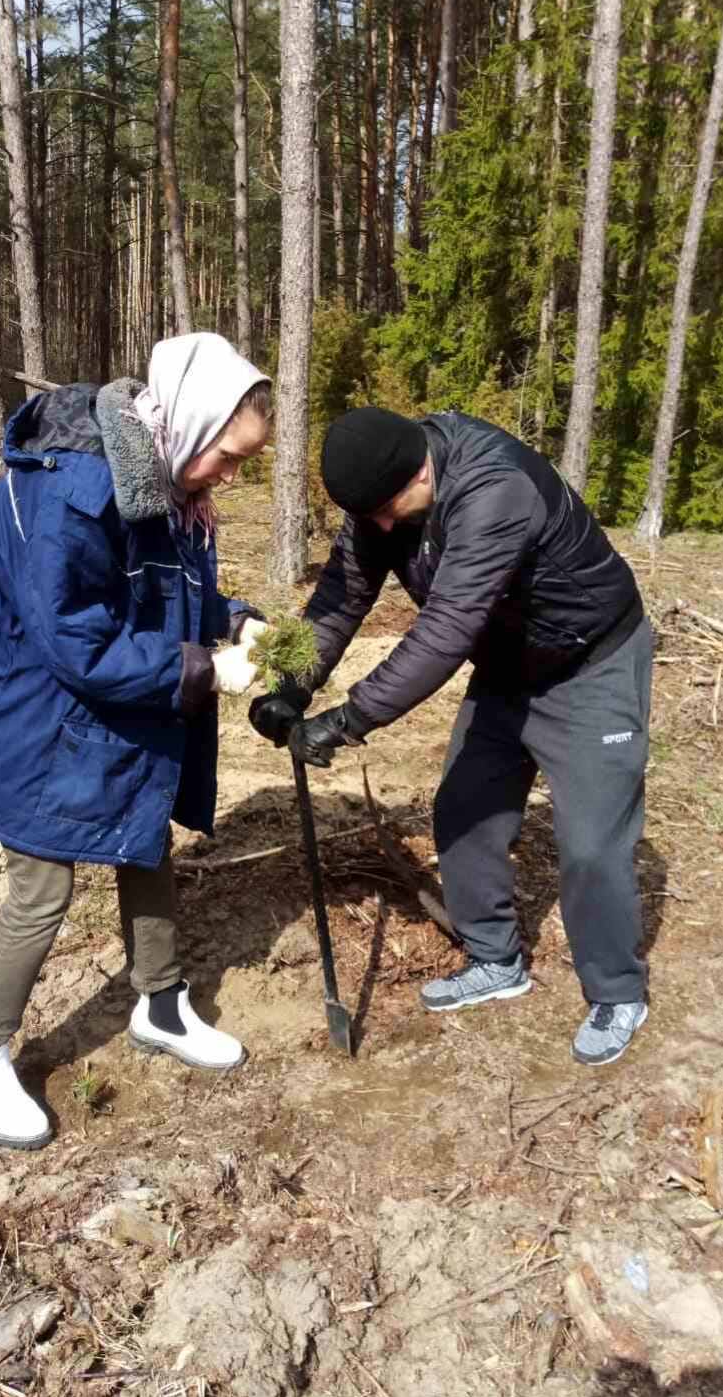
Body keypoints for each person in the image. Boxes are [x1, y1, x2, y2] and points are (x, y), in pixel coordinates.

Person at [0, 333, 272, 1150]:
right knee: (42, 882)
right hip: (15, 707)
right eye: (229, 455)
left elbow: (160, 591)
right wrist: (204, 670)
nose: (231, 475)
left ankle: (162, 1003)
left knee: (143, 834)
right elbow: (78, 641)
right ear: (188, 424)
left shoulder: (164, 483)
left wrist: (233, 622)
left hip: (77, 693)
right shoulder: (77, 490)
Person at [249, 406, 653, 1067]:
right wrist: (290, 687)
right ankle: (496, 960)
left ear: (420, 470)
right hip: (508, 659)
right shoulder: (383, 497)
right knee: (464, 810)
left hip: (590, 661)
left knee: (590, 842)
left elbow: (442, 634)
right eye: (369, 515)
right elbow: (340, 600)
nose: (380, 526)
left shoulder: (495, 492)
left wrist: (347, 720)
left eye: (386, 510)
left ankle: (617, 990)